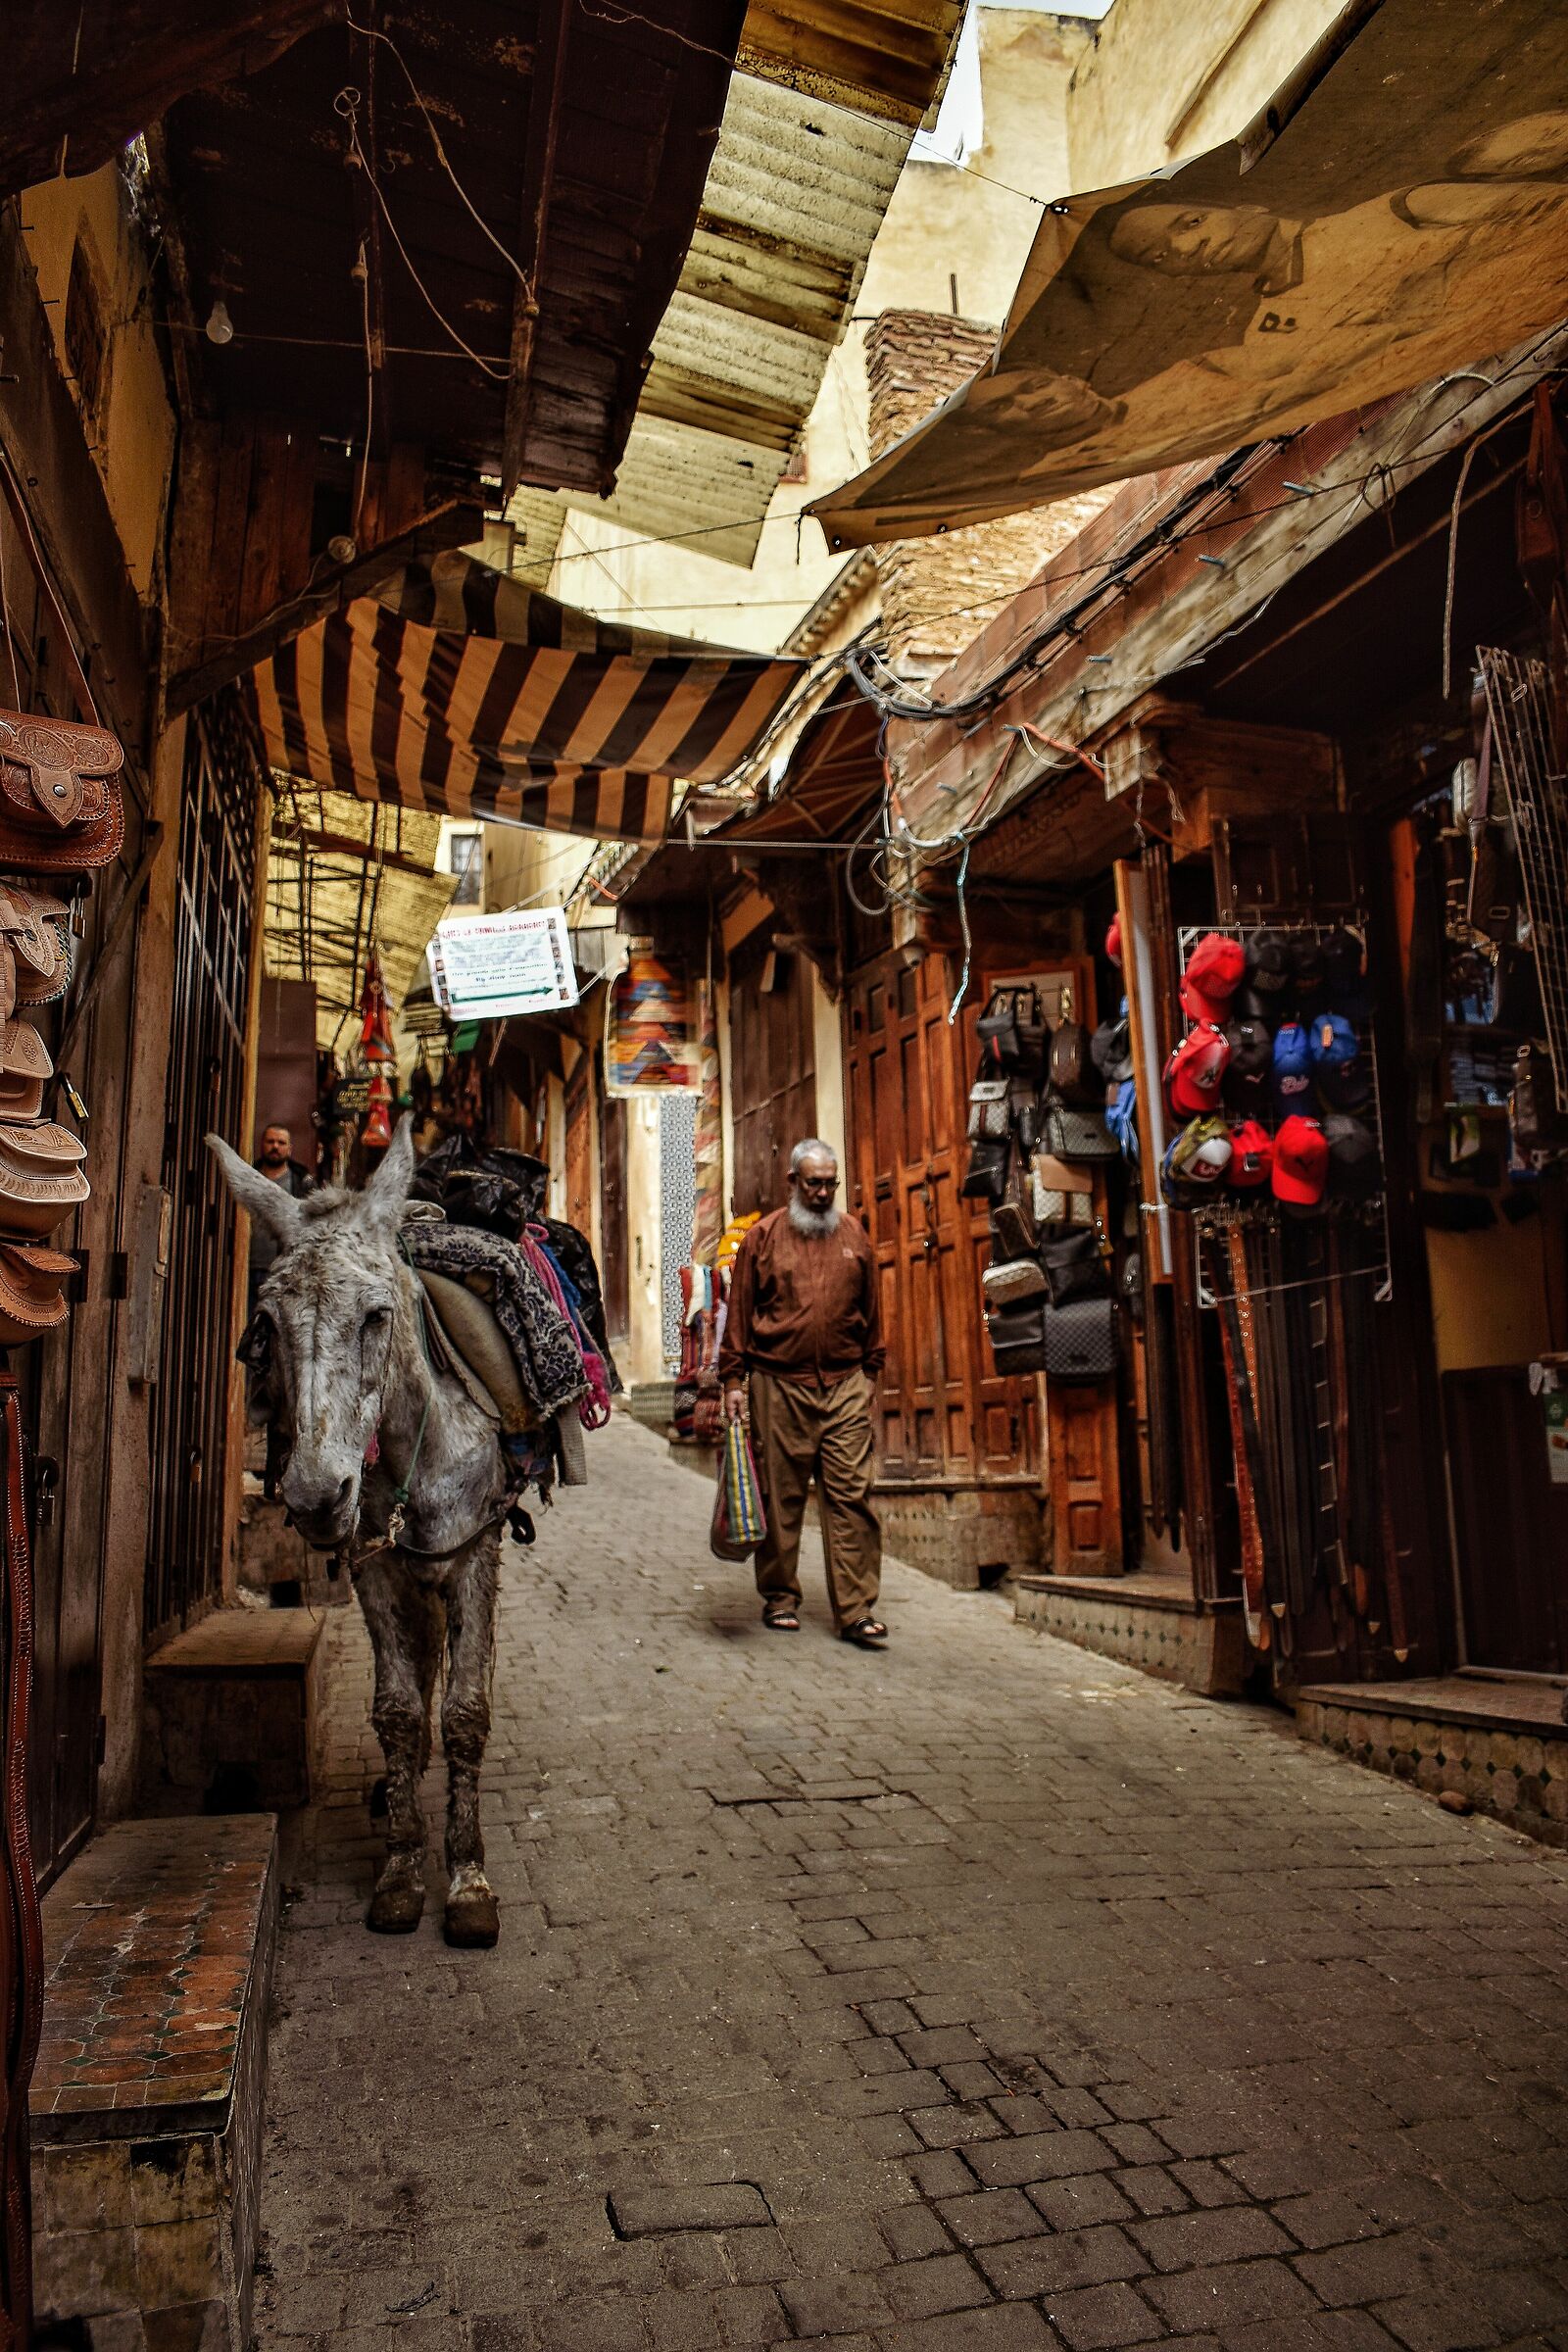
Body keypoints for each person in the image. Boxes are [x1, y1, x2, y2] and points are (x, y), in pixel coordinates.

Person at [718, 1140, 887, 1647]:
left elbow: (873, 1312)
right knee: (782, 1495)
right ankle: (780, 1596)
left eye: (830, 1183)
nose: (823, 1192)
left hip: (844, 1385)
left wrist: (868, 1374)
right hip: (778, 1385)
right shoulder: (762, 1239)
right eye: (813, 1183)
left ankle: (856, 1610)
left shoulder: (854, 1235)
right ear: (792, 1182)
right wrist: (732, 1380)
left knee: (852, 1497)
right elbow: (740, 1316)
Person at [246, 1123, 314, 1317]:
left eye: (281, 1142)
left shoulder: (301, 1182)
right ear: (262, 1144)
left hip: (283, 1269)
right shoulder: (251, 1176)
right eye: (270, 1141)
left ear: (289, 1148)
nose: (275, 1146)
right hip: (248, 1267)